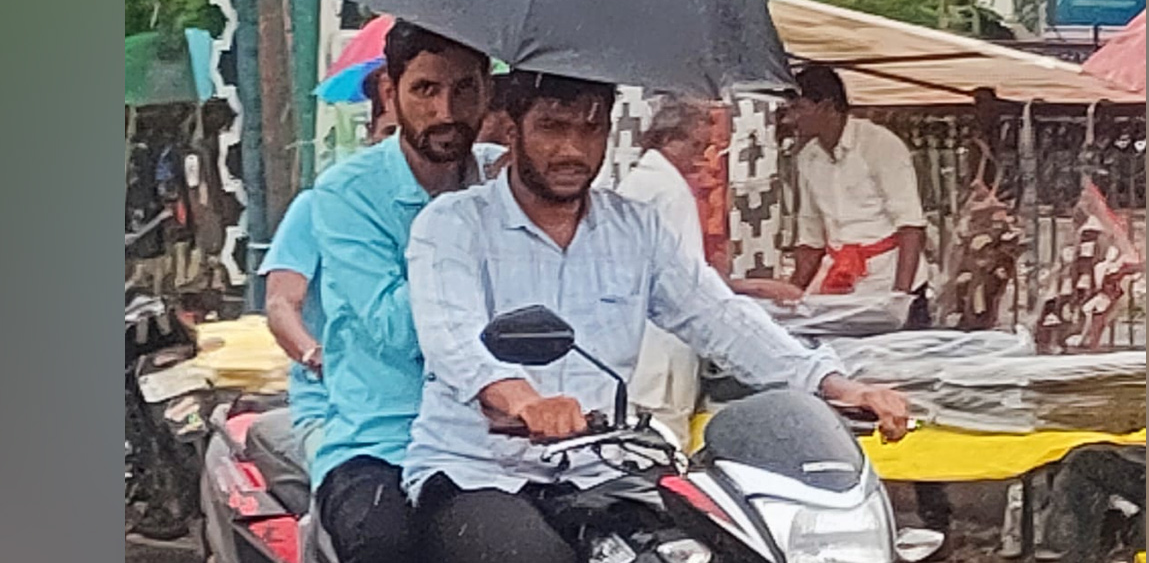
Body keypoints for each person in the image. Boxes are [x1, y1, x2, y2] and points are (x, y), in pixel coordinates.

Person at [400, 71, 911, 563]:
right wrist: (524, 399)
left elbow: (720, 316)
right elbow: (454, 339)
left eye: (591, 128)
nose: (573, 150)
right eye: (553, 127)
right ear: (513, 131)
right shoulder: (452, 224)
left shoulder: (635, 228)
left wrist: (836, 385)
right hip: (477, 472)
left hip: (601, 469)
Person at [310, 20, 505, 563]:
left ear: (488, 93)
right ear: (390, 95)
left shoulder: (507, 183)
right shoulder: (347, 194)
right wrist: (460, 220)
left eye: (464, 89)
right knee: (385, 546)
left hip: (496, 445)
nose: (446, 111)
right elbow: (396, 330)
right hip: (381, 443)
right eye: (426, 90)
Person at [784, 66, 951, 551]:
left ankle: (935, 515)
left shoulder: (881, 146)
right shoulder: (808, 160)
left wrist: (898, 301)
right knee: (845, 399)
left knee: (912, 398)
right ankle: (854, 507)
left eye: (797, 106)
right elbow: (811, 238)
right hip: (841, 295)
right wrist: (793, 298)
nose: (791, 117)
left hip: (893, 289)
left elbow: (910, 227)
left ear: (825, 106)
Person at [618, 96, 805, 444]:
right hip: (657, 354)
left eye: (706, 147)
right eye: (695, 145)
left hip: (665, 350)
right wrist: (755, 288)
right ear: (666, 138)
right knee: (659, 445)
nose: (701, 157)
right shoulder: (656, 188)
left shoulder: (660, 184)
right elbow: (680, 282)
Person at [256, 68, 399, 476]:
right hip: (333, 411)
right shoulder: (321, 204)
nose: (399, 151)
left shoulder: (450, 210)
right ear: (370, 135)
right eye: (389, 134)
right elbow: (281, 303)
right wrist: (314, 355)